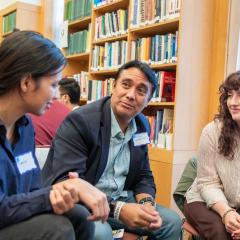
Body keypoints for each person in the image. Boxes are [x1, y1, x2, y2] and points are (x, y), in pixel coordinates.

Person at [42, 60, 182, 240]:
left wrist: (147, 205)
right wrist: (119, 210)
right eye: (126, 84)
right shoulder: (80, 121)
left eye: (141, 91)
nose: (131, 95)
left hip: (121, 199)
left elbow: (143, 175)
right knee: (101, 233)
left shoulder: (142, 125)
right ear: (113, 86)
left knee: (171, 222)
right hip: (82, 204)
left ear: (148, 101)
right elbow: (67, 183)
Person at [0, 30, 109, 240]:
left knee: (78, 215)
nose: (58, 95)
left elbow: (31, 192)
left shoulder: (25, 127)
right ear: (26, 83)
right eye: (53, 85)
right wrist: (50, 196)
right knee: (57, 229)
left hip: (10, 219)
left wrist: (61, 192)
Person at [184, 71, 240, 240]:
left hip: (236, 203)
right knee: (221, 233)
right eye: (230, 95)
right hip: (203, 198)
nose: (233, 102)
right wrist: (227, 213)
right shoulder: (212, 131)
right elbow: (207, 182)